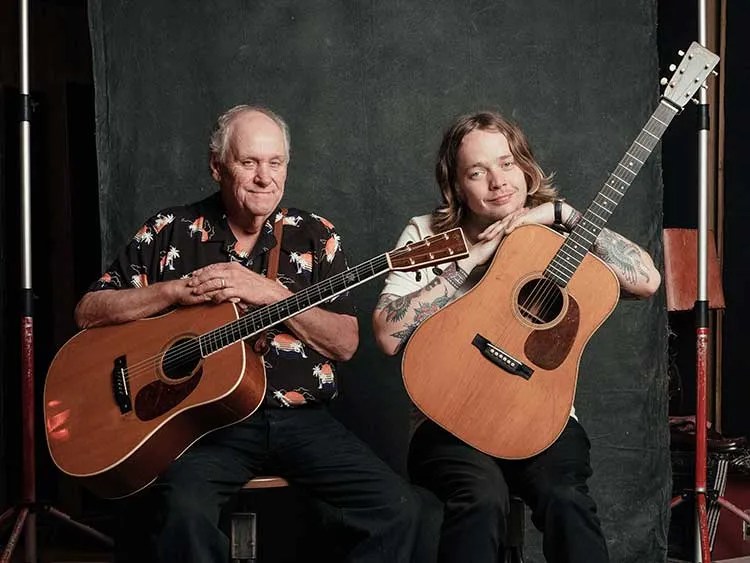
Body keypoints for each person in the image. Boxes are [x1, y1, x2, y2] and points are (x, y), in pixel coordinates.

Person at [76, 104, 418, 562]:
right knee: (181, 510)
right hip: (206, 425)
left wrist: (271, 294)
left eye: (275, 163)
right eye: (249, 162)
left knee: (399, 510)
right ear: (218, 166)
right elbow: (89, 310)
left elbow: (345, 342)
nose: (265, 177)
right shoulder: (170, 230)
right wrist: (174, 292)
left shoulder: (316, 235)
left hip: (301, 421)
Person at [372, 111, 661, 563]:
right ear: (456, 186)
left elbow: (647, 280)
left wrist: (563, 214)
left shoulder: (561, 233)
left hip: (540, 417)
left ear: (524, 165)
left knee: (566, 498)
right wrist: (472, 259)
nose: (498, 181)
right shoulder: (427, 234)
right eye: (477, 171)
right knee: (482, 499)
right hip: (448, 416)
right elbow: (388, 334)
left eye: (506, 163)